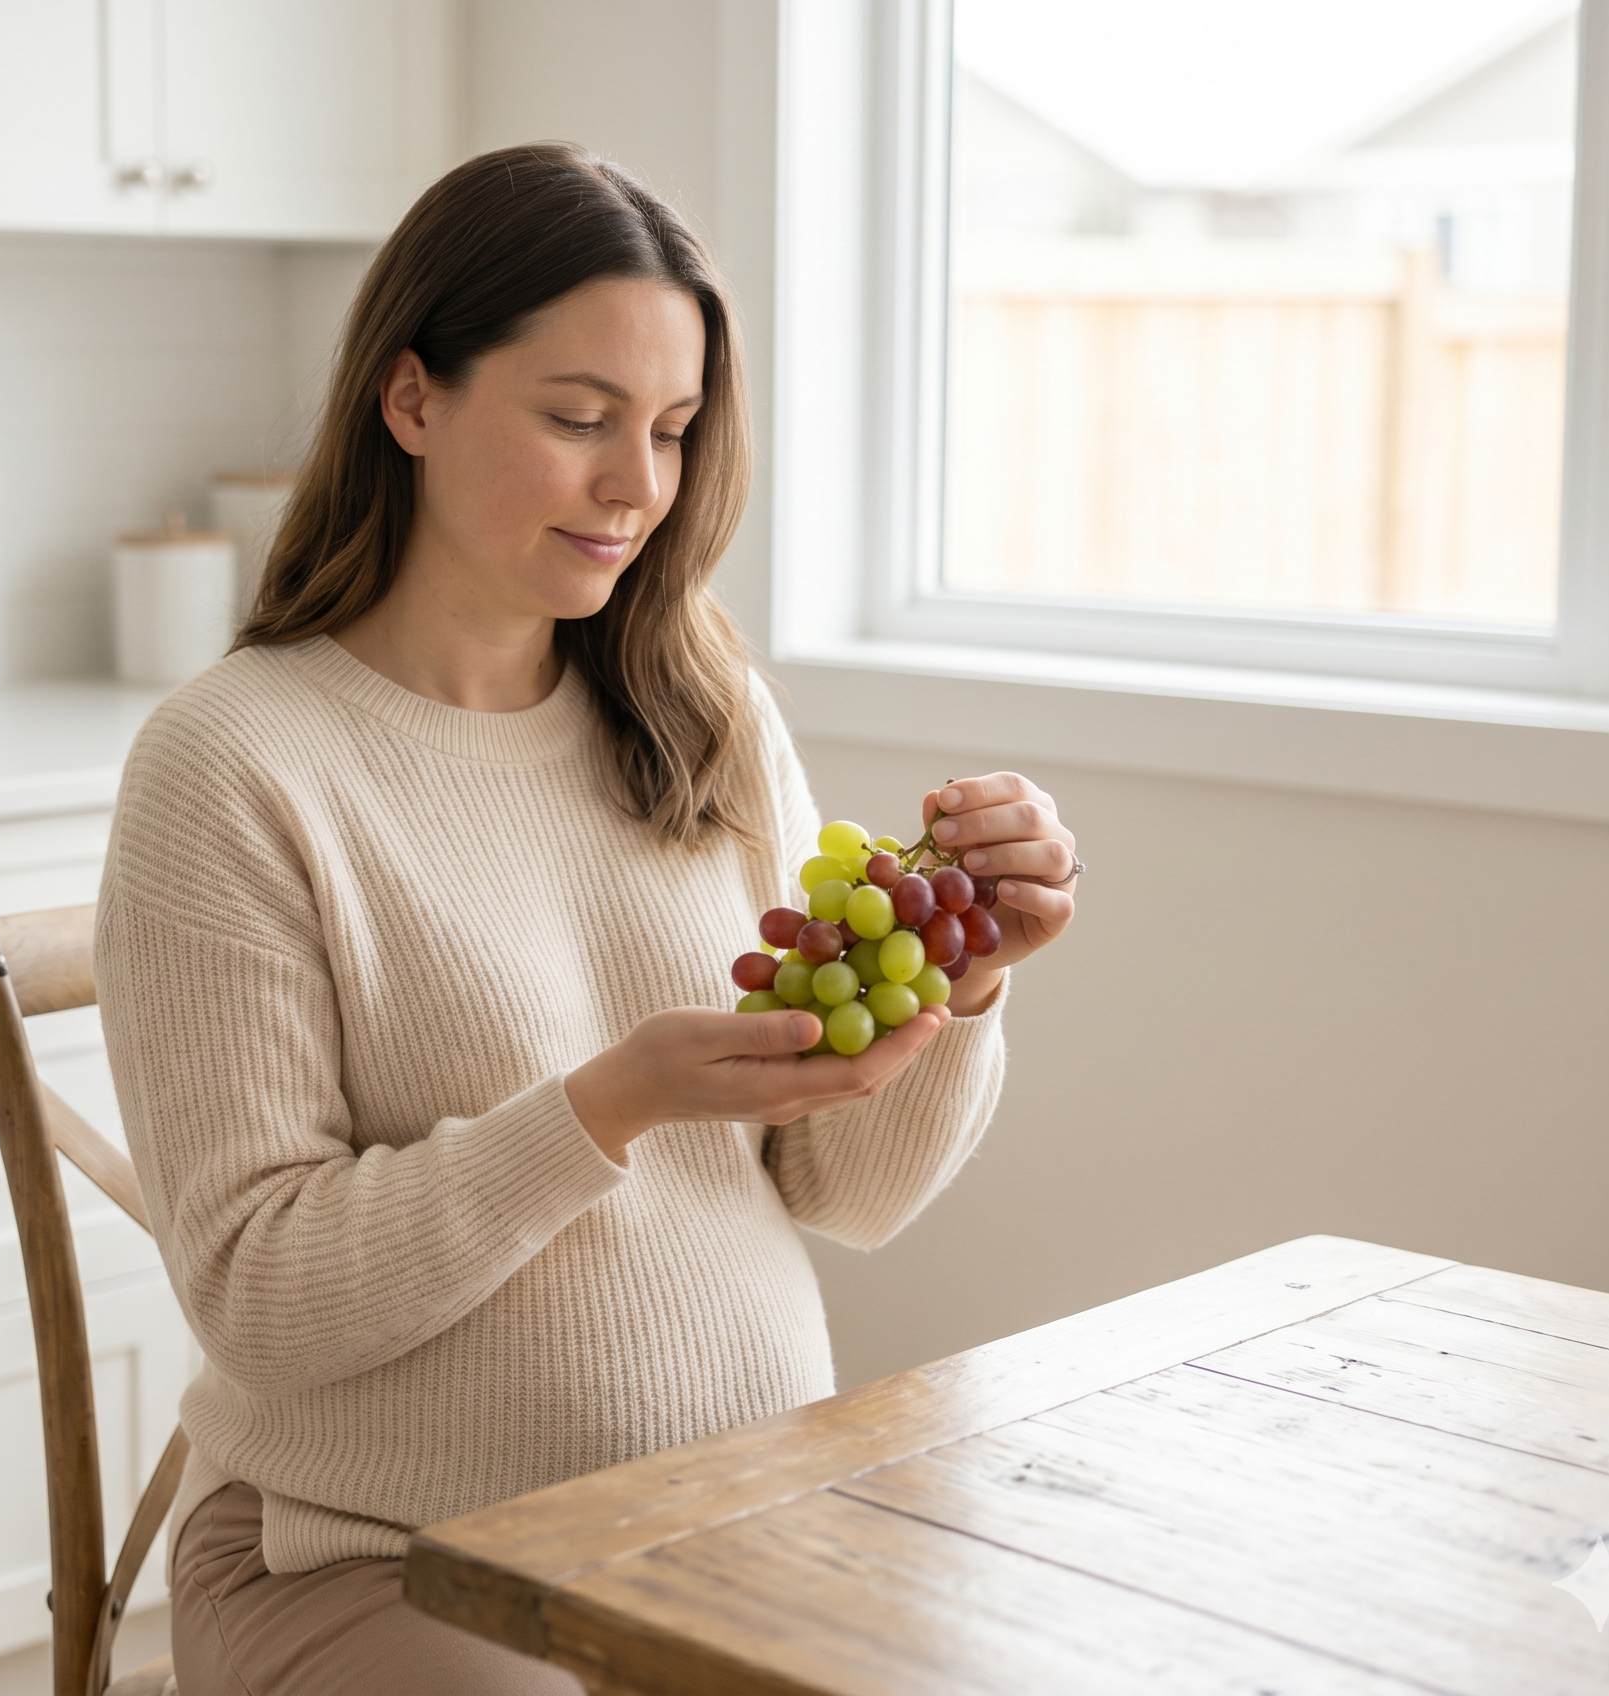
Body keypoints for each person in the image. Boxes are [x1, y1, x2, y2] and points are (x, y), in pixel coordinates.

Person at [93, 142, 1079, 1695]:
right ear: (411, 400)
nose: (638, 486)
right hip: (374, 1553)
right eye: (578, 419)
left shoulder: (698, 705)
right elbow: (260, 1295)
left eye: (673, 431)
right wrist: (605, 1108)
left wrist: (960, 986)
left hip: (730, 1519)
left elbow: (847, 1191)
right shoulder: (234, 763)